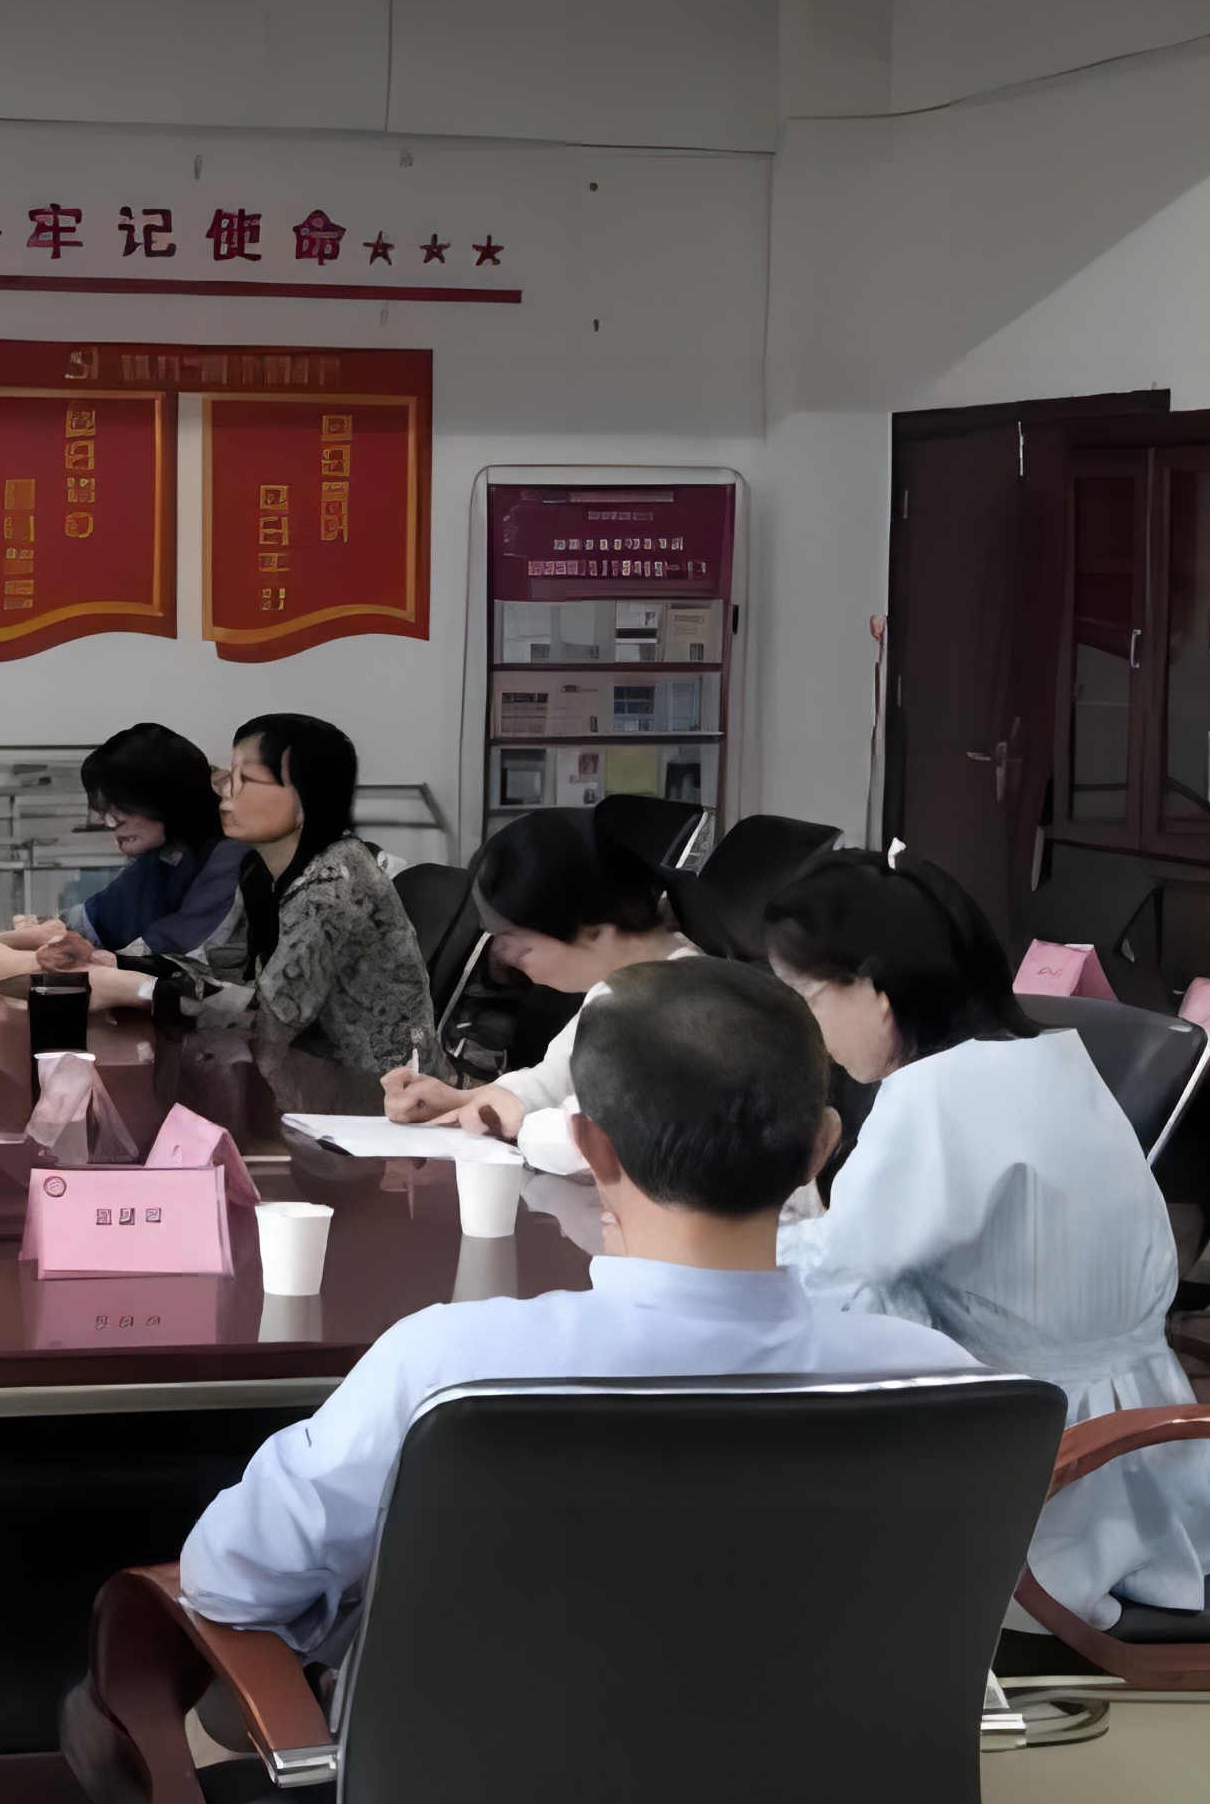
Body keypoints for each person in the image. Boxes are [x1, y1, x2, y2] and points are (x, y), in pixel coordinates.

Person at [178, 958, 974, 1660]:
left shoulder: (452, 1367)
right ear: (821, 1148)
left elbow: (231, 1577)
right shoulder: (939, 1385)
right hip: (815, 1782)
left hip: (479, 1783)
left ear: (590, 1146)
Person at [762, 852, 1210, 1629]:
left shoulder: (937, 1092)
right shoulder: (1046, 1057)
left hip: (1045, 1476)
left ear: (876, 991)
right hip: (1137, 1452)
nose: (803, 1027)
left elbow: (846, 1267)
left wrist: (704, 1233)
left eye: (805, 996)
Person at [381, 797, 698, 1174]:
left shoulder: (686, 1004)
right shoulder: (618, 988)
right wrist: (457, 1100)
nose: (504, 954)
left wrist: (520, 1124)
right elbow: (554, 1083)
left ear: (594, 929)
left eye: (520, 944)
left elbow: (617, 1139)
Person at [201, 711, 431, 1079]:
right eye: (230, 776)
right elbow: (234, 966)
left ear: (309, 796)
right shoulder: (261, 871)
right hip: (311, 1072)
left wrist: (147, 991)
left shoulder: (335, 884)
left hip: (377, 1092)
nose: (228, 791)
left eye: (249, 779)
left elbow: (274, 1019)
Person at [0, 723, 246, 999]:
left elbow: (185, 956)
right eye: (105, 811)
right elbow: (101, 918)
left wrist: (100, 959)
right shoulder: (168, 853)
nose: (110, 822)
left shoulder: (229, 855)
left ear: (164, 797)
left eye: (118, 809)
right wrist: (50, 930)